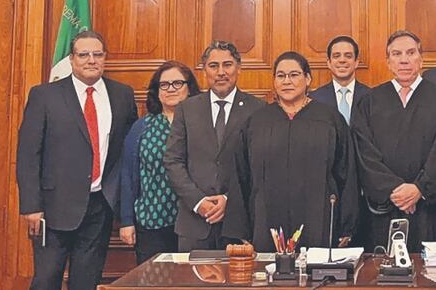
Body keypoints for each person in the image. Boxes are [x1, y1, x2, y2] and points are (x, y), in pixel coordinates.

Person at [16, 30, 139, 290]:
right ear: (71, 60)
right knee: (46, 280)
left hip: (100, 205)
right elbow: (28, 153)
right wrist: (30, 205)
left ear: (105, 58)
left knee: (87, 280)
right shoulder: (44, 95)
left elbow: (126, 151)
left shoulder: (122, 95)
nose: (91, 60)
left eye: (97, 54)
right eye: (83, 54)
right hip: (52, 207)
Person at [224, 51, 359, 250]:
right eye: (281, 75)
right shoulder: (257, 121)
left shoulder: (329, 119)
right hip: (266, 220)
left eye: (294, 75)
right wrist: (241, 229)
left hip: (318, 220)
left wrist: (347, 226)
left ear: (307, 79)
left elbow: (347, 173)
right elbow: (241, 176)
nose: (287, 81)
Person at [351, 30, 436, 250]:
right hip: (384, 208)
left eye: (411, 53)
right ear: (388, 62)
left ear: (421, 59)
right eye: (397, 54)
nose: (404, 59)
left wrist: (419, 189)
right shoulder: (369, 101)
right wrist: (396, 190)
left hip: (428, 208)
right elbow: (364, 154)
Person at [163, 41, 265, 251]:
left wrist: (230, 199)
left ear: (238, 67)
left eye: (227, 65)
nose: (221, 72)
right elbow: (173, 161)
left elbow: (260, 166)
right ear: (203, 70)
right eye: (213, 66)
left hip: (240, 224)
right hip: (194, 224)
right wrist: (199, 202)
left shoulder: (258, 109)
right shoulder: (186, 109)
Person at [118, 61, 201, 264]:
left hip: (195, 222)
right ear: (157, 91)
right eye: (164, 85)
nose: (170, 89)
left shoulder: (203, 124)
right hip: (152, 222)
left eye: (177, 83)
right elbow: (128, 174)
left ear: (189, 88)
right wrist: (127, 220)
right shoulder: (142, 128)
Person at [309, 35, 370, 123]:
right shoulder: (314, 98)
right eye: (336, 56)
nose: (342, 60)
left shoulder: (371, 97)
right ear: (329, 63)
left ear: (356, 62)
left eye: (348, 56)